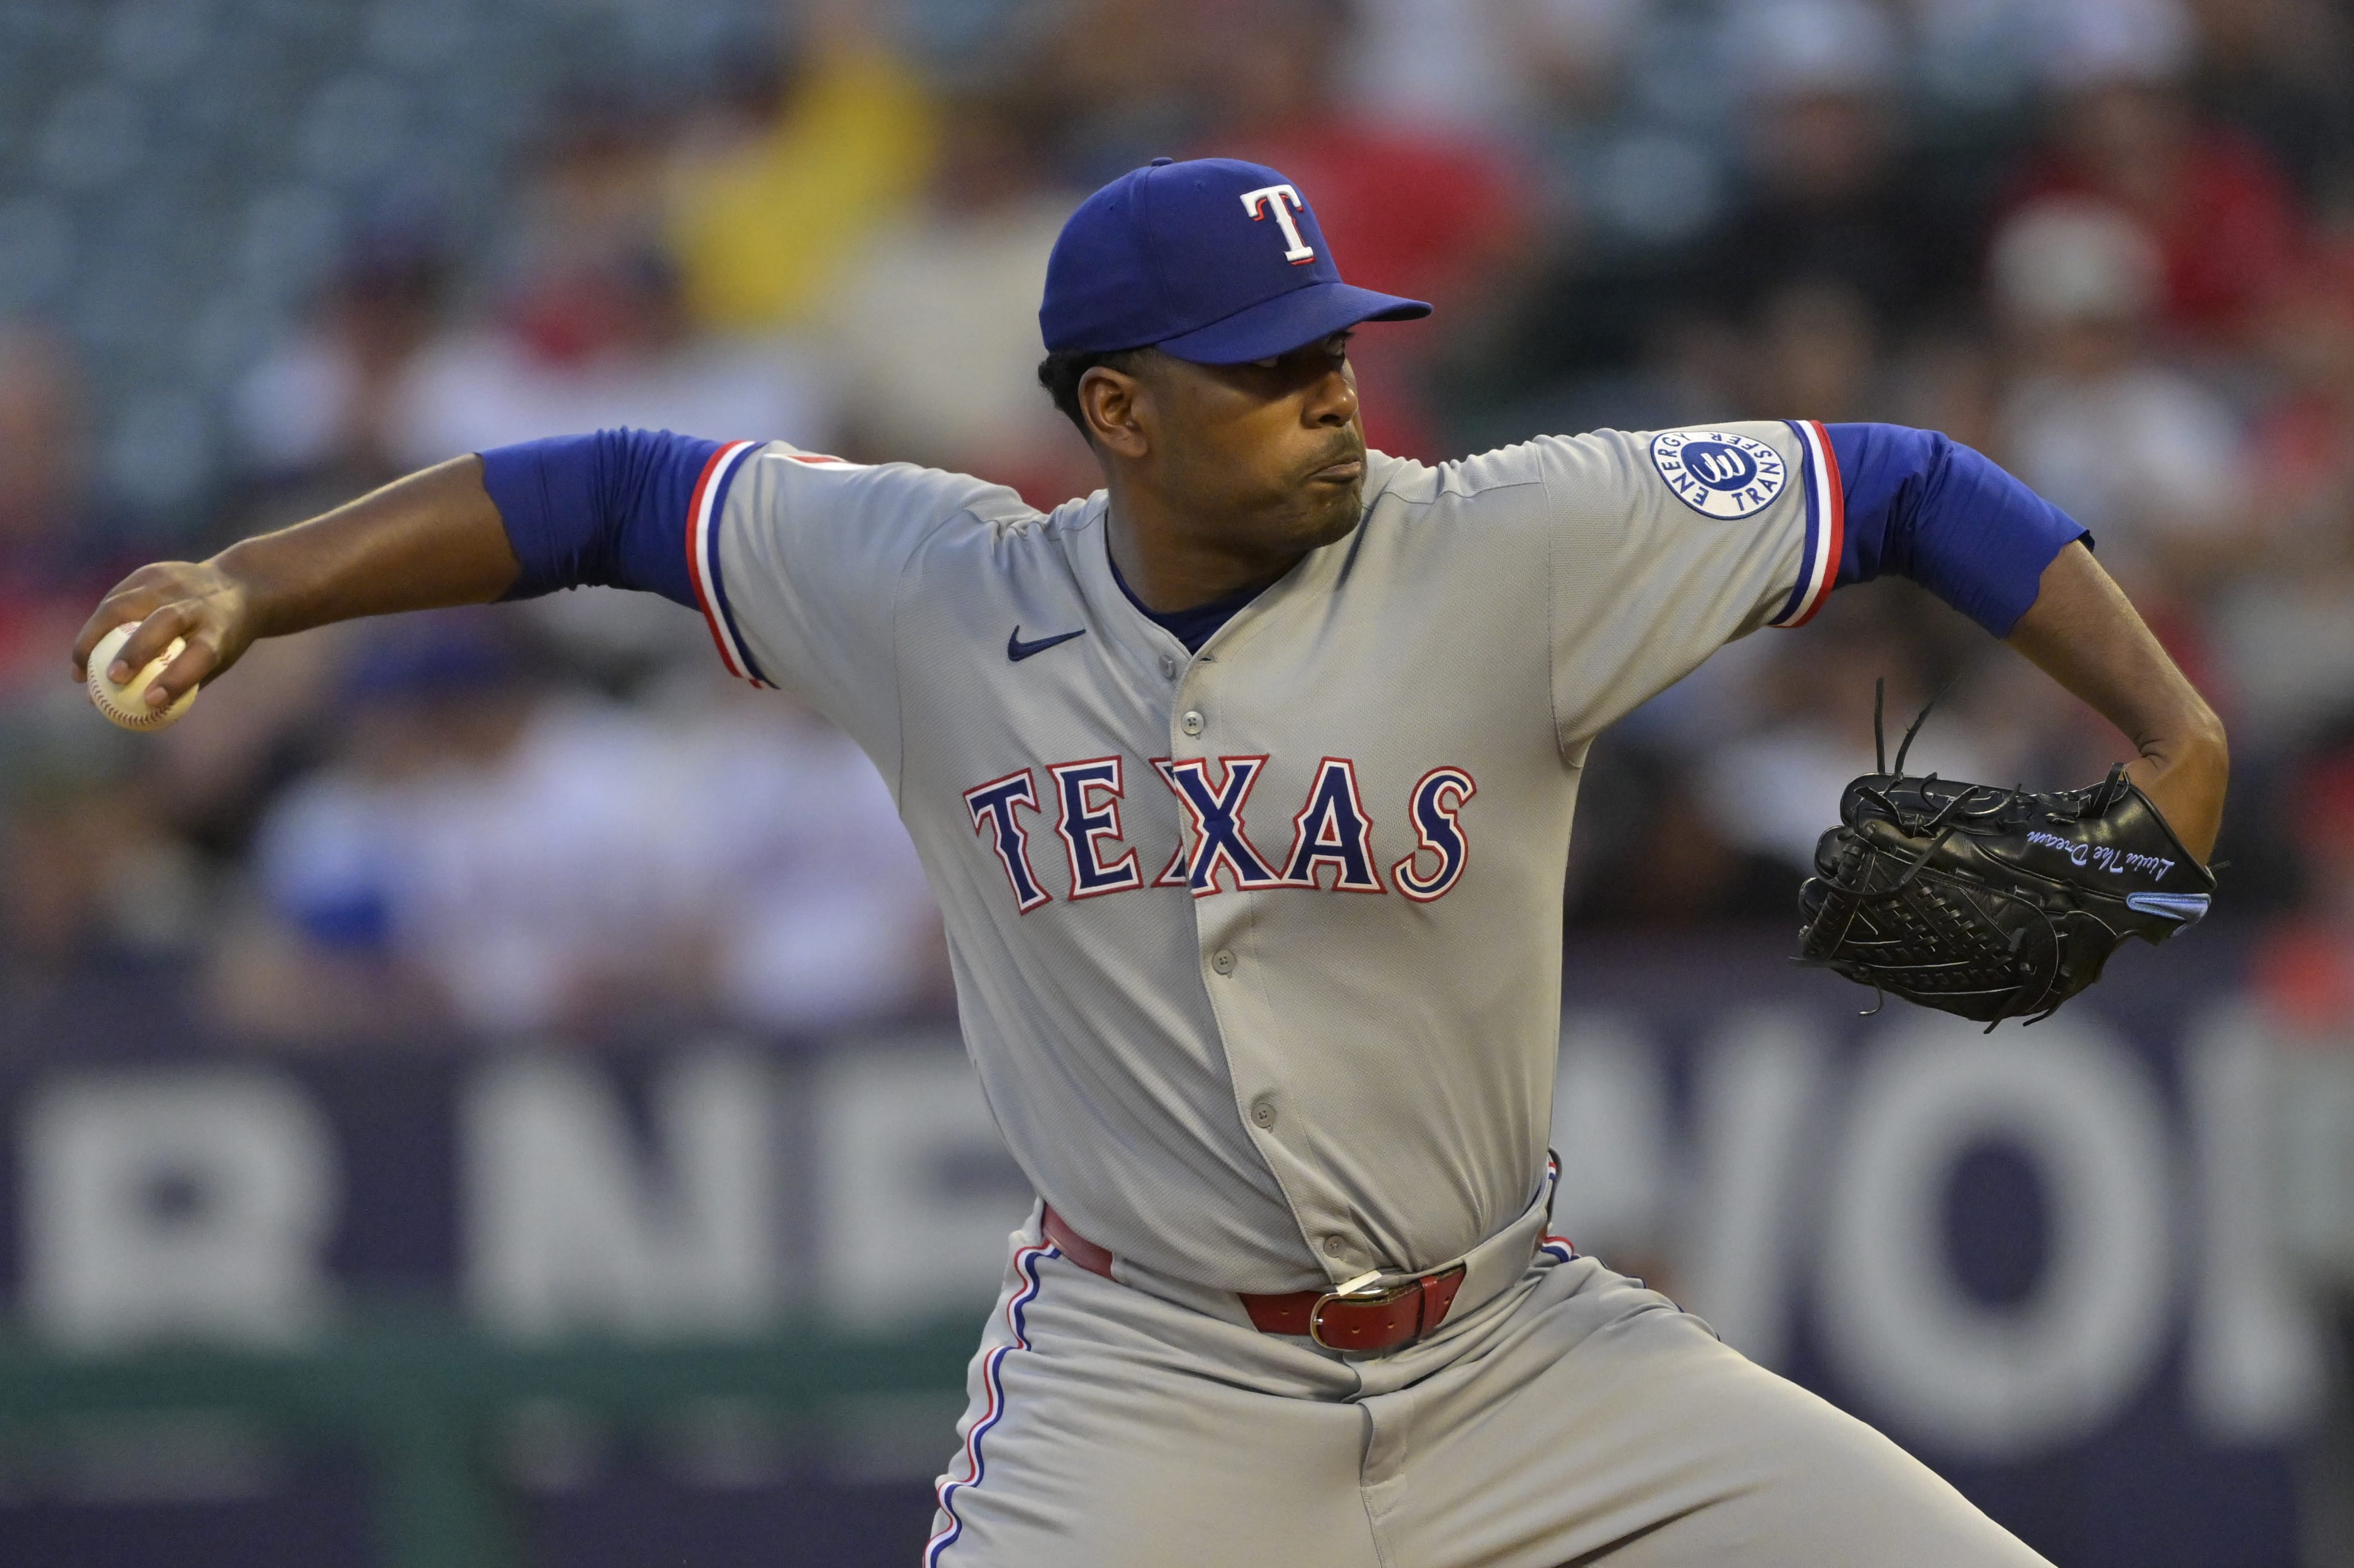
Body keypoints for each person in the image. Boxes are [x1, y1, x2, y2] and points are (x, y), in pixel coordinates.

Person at [75, 157, 2225, 1566]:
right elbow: (616, 493)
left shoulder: (1511, 543)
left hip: (1528, 1349)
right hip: (1155, 1381)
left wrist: (2174, 732)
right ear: (1117, 411)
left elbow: (1907, 480)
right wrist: (264, 583)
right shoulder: (933, 585)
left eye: (1337, 351)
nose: (1332, 396)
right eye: (1268, 372)